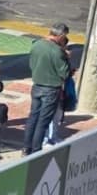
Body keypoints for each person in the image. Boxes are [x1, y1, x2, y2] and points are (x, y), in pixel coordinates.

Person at [23, 23, 71, 156]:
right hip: (51, 89)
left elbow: (32, 64)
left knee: (33, 117)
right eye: (64, 36)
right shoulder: (57, 51)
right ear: (61, 35)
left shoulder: (36, 45)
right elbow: (65, 74)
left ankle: (26, 147)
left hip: (37, 85)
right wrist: (67, 58)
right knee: (43, 121)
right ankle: (36, 149)